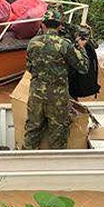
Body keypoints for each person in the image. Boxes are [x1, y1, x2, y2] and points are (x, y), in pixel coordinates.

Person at [23, 8, 88, 150]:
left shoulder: (33, 43)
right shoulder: (64, 45)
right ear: (59, 26)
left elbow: (29, 67)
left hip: (36, 95)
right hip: (57, 98)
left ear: (43, 25)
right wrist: (81, 48)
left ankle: (25, 166)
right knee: (58, 136)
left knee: (32, 131)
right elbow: (83, 67)